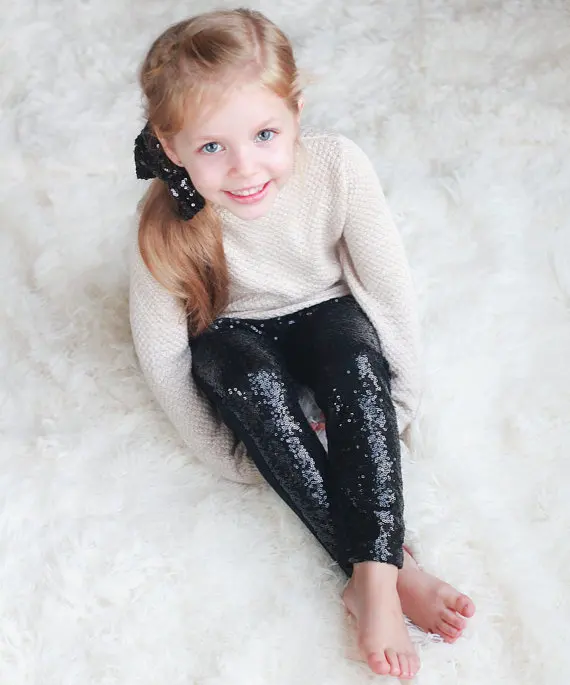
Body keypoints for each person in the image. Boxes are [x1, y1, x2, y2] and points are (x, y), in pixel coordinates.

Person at [129, 8, 475, 679]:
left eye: (265, 134)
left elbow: (390, 290)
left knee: (352, 354)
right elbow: (163, 360)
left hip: (325, 310)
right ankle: (393, 570)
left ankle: (371, 577)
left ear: (296, 113)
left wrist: (396, 400)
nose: (245, 168)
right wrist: (229, 452)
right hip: (233, 332)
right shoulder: (163, 225)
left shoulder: (338, 166)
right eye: (211, 147)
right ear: (170, 146)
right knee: (242, 375)